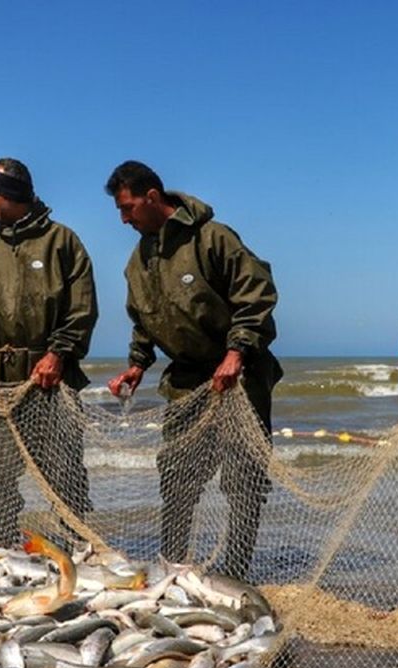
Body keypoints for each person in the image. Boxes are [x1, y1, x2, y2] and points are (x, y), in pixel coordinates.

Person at [105, 160, 281, 580]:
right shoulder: (139, 259)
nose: (123, 218)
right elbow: (144, 318)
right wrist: (137, 364)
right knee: (178, 478)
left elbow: (256, 296)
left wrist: (236, 352)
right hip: (185, 384)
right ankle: (173, 568)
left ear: (152, 196)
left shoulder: (212, 238)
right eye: (119, 211)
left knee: (244, 482)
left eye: (128, 207)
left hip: (239, 378)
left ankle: (236, 573)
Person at [0, 158, 98, 548]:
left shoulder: (62, 241)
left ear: (15, 196)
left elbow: (82, 309)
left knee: (63, 473)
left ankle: (73, 547)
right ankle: (8, 547)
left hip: (51, 381)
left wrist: (58, 353)